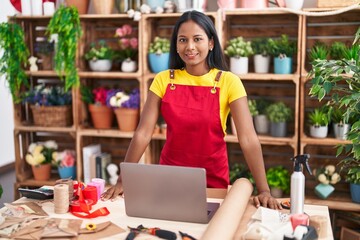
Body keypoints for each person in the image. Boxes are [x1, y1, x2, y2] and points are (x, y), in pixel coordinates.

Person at [101, 10, 281, 210]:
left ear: (211, 43)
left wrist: (264, 189)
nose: (190, 47)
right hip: (170, 181)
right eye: (183, 40)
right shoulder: (163, 80)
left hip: (212, 183)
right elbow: (143, 133)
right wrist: (122, 180)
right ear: (176, 45)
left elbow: (248, 138)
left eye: (197, 39)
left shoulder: (229, 82)